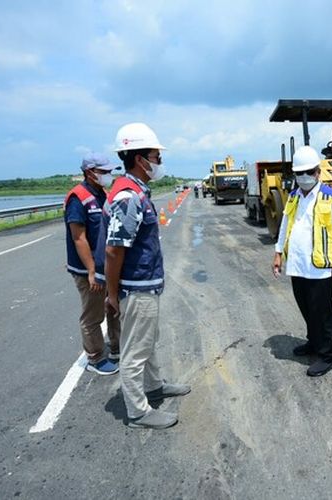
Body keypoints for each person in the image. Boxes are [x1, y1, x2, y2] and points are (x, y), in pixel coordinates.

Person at [104, 122, 191, 430]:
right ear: (140, 159)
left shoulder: (137, 191)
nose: (159, 162)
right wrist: (112, 295)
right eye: (156, 156)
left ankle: (153, 386)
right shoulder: (128, 197)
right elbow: (114, 251)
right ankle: (138, 412)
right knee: (135, 351)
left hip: (145, 284)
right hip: (136, 287)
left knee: (148, 341)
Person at [272, 145, 332, 377]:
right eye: (299, 173)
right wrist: (278, 253)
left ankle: (327, 356)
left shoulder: (331, 198)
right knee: (306, 308)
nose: (304, 177)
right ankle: (313, 342)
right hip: (297, 266)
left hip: (320, 268)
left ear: (318, 172)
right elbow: (286, 225)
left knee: (323, 312)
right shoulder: (294, 197)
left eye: (309, 172)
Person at [64, 152, 121, 375]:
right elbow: (79, 237)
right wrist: (91, 271)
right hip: (89, 270)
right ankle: (95, 358)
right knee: (93, 314)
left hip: (105, 266)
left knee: (113, 307)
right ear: (90, 173)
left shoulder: (101, 194)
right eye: (104, 172)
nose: (109, 175)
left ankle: (116, 348)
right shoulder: (78, 197)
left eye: (109, 171)